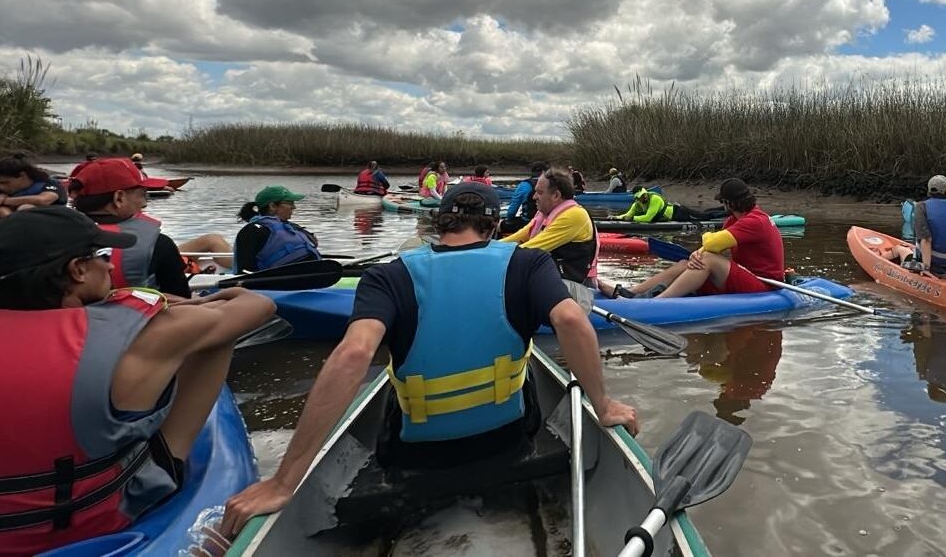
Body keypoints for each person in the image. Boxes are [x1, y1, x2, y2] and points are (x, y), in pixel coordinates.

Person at [219, 182, 638, 534]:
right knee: (524, 365)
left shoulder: (389, 275)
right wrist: (602, 405)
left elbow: (353, 355)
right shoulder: (529, 263)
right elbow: (571, 320)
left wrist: (283, 479)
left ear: (439, 224)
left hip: (415, 458)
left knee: (391, 374)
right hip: (507, 442)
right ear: (493, 226)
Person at [0, 208, 273, 555]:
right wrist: (205, 300)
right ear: (78, 270)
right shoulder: (139, 336)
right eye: (101, 256)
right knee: (215, 335)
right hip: (92, 522)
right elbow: (257, 307)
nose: (112, 266)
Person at [603, 179, 785, 298]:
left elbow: (711, 243)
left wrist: (706, 244)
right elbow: (711, 248)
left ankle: (656, 303)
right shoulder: (733, 219)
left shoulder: (755, 220)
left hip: (766, 285)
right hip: (748, 276)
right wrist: (696, 255)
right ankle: (631, 293)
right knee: (686, 262)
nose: (721, 205)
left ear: (729, 202)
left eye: (722, 202)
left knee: (707, 259)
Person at [67, 157, 192, 297]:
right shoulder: (159, 244)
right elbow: (182, 298)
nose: (145, 203)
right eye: (143, 195)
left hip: (71, 317)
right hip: (137, 317)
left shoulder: (53, 238)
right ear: (119, 198)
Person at [502, 169, 599, 285]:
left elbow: (529, 250)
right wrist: (485, 248)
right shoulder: (542, 214)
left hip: (574, 287)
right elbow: (518, 237)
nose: (534, 197)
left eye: (540, 192)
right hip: (554, 281)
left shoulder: (574, 215)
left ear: (556, 195)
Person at [234, 185, 321, 272]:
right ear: (272, 206)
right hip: (280, 280)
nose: (294, 207)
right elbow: (244, 269)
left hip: (311, 274)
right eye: (290, 203)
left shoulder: (291, 227)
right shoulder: (253, 231)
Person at [0, 156, 68, 218]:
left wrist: (5, 200)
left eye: (5, 183)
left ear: (21, 175)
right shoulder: (2, 191)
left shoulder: (48, 183)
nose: (1, 187)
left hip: (51, 220)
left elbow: (44, 200)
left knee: (26, 208)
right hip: (11, 224)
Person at [503, 162, 548, 234]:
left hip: (528, 222)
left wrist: (509, 220)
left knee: (501, 225)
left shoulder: (524, 185)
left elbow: (512, 209)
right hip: (547, 222)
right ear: (544, 172)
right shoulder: (551, 184)